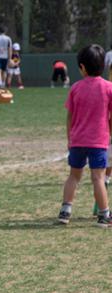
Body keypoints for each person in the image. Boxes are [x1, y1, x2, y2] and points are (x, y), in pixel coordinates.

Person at [57, 45, 112, 227]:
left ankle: (65, 211)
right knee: (98, 177)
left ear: (82, 67)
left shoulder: (75, 88)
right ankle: (104, 215)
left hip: (78, 140)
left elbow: (70, 116)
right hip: (99, 141)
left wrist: (69, 139)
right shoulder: (108, 88)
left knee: (73, 176)